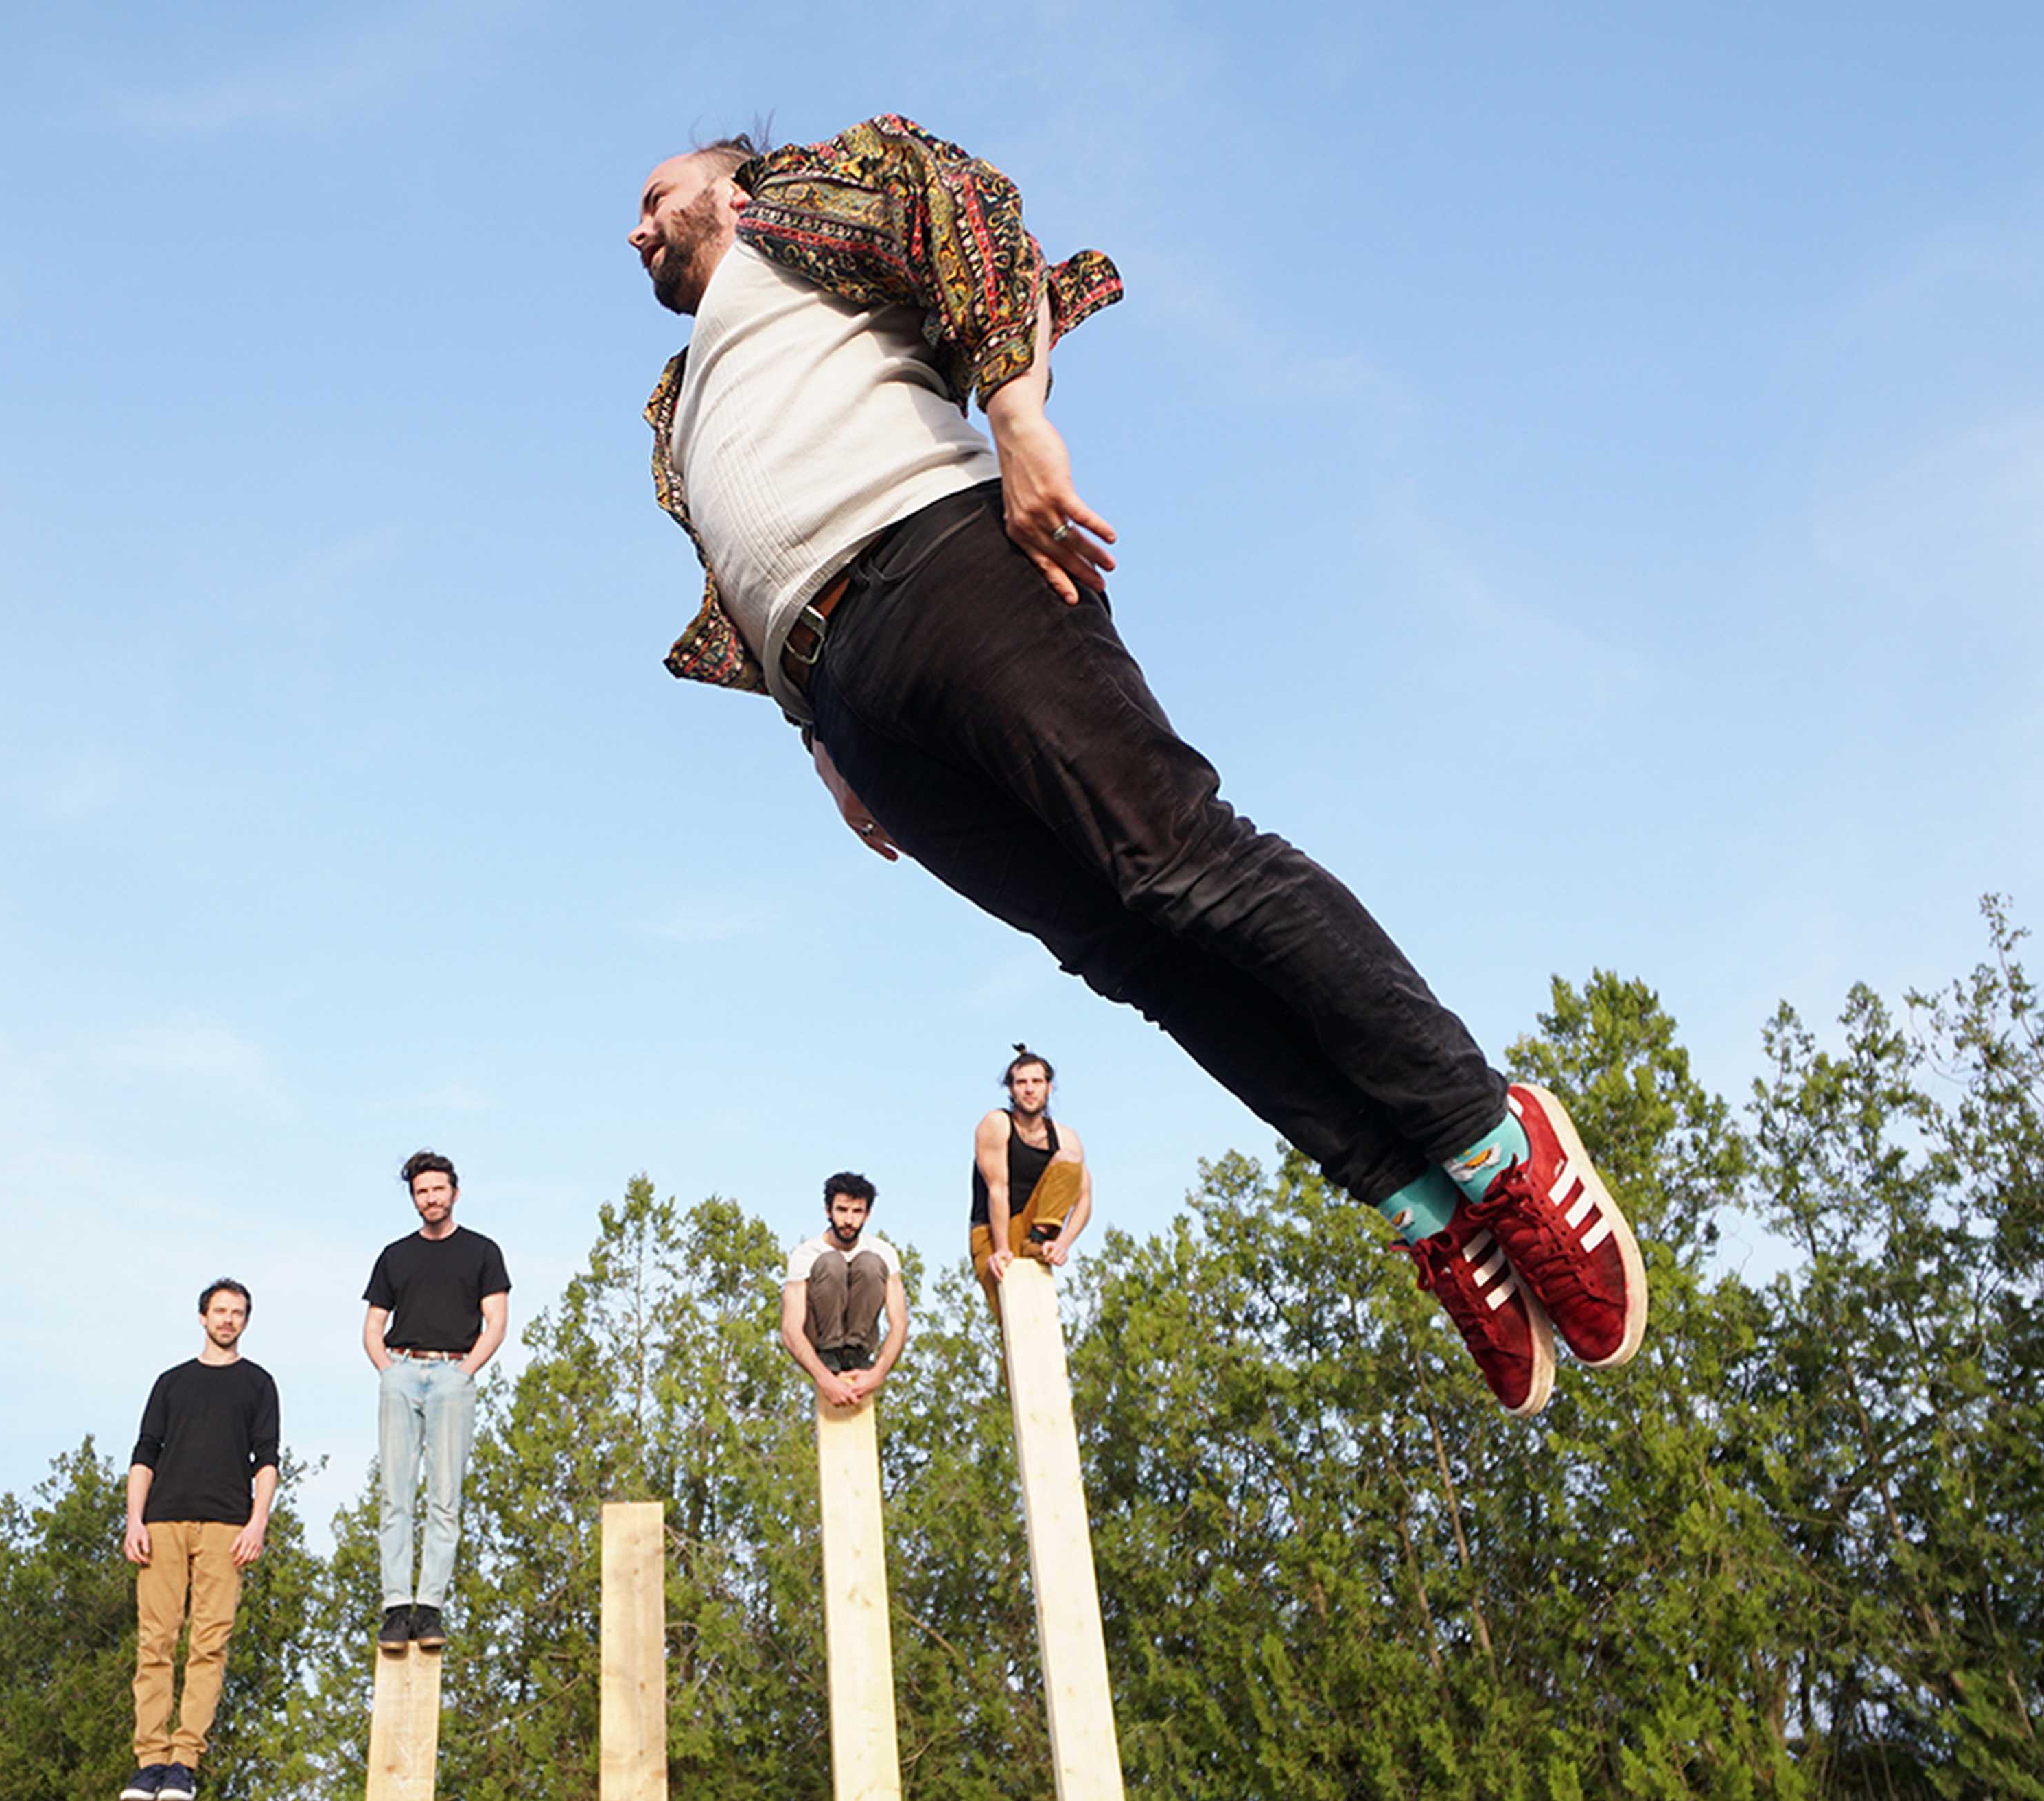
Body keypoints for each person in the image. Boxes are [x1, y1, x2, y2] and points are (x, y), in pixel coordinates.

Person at [622, 117, 1647, 1418]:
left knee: (1179, 864)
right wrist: (822, 744)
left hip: (944, 567)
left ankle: (1492, 1138)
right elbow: (738, 567)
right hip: (849, 692)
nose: (640, 229)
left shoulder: (806, 209)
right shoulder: (676, 408)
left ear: (734, 178)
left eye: (658, 196)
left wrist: (1018, 419)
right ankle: (1422, 1202)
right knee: (1131, 959)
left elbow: (961, 208)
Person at [120, 1277, 280, 1801]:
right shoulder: (171, 1383)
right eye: (220, 1311)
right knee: (156, 1644)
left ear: (246, 1321)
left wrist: (258, 1524)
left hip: (226, 1529)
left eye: (237, 1312)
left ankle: (184, 1762)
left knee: (208, 1646)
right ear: (202, 1317)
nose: (228, 1319)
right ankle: (150, 1764)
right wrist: (133, 1521)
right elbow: (145, 1453)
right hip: (163, 1523)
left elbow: (267, 1461)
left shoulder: (259, 1384)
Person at [361, 1150, 509, 1650]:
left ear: (455, 1193)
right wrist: (389, 1371)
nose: (431, 1198)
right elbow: (372, 1325)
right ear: (414, 1199)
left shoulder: (483, 1251)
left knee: (446, 1496)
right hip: (402, 1370)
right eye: (422, 1191)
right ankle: (396, 1607)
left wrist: (465, 1372)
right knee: (395, 1495)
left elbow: (498, 1322)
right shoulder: (395, 1256)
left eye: (438, 1189)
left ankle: (430, 1609)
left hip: (453, 1372)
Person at [972, 1045, 1090, 1311]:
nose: (1029, 1089)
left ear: (1049, 1087)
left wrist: (1062, 1244)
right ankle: (1028, 1242)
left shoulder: (1065, 1138)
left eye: (1036, 1082)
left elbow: (1084, 1199)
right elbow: (998, 1190)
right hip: (994, 1231)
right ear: (1011, 1090)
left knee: (1070, 1159)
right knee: (1016, 1322)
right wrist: (1002, 1249)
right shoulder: (997, 1123)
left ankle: (1037, 1238)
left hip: (1034, 1233)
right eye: (1021, 1082)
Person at [782, 1170, 906, 1408]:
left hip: (860, 1340)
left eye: (857, 1212)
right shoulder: (805, 1255)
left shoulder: (885, 1252)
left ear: (867, 1214)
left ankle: (854, 1353)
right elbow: (790, 1329)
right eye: (842, 1210)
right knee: (832, 1262)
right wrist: (824, 1378)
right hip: (821, 1341)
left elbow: (899, 1323)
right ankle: (831, 1355)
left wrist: (878, 1373)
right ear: (828, 1211)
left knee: (870, 1262)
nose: (849, 1221)